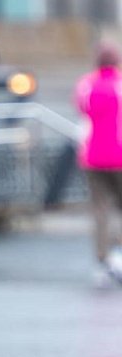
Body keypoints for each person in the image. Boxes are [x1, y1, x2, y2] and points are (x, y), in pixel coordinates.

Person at [76, 39, 122, 288]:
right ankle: (118, 253)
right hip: (120, 155)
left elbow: (83, 110)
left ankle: (102, 261)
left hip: (93, 156)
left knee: (100, 211)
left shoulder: (86, 85)